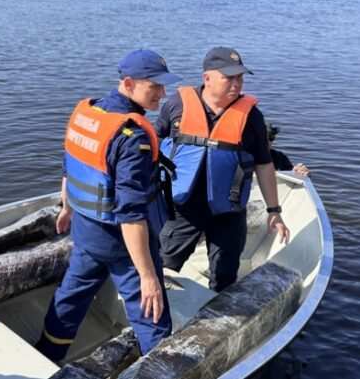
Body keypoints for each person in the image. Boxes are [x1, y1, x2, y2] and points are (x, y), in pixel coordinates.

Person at [35, 49, 179, 362]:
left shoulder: (88, 113)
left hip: (86, 231)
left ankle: (47, 354)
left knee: (71, 297)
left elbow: (71, 163)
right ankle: (161, 367)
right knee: (150, 311)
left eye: (163, 85)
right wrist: (148, 276)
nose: (162, 93)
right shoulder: (132, 136)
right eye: (154, 86)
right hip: (121, 243)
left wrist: (67, 208)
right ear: (128, 84)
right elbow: (130, 213)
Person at [157, 47, 290, 293]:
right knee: (162, 266)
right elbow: (154, 147)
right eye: (229, 77)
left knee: (225, 276)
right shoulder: (177, 106)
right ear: (207, 78)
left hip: (229, 210)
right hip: (183, 208)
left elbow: (264, 163)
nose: (236, 84)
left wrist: (274, 211)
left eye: (240, 77)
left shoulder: (252, 117)